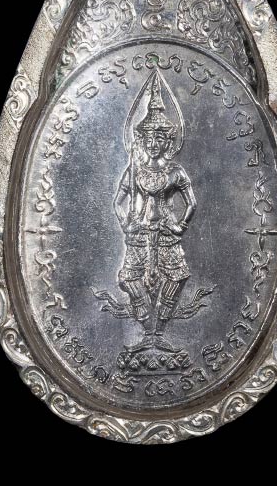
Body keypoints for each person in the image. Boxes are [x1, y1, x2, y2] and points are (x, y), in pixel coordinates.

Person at [114, 73, 196, 352]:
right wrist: (126, 224)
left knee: (178, 276)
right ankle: (144, 322)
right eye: (149, 138)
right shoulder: (134, 170)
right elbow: (118, 202)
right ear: (142, 140)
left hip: (166, 232)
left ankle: (158, 332)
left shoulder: (175, 171)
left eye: (159, 138)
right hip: (138, 232)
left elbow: (192, 203)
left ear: (167, 142)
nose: (153, 144)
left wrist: (180, 226)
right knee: (128, 278)